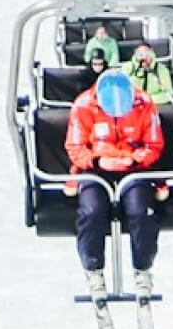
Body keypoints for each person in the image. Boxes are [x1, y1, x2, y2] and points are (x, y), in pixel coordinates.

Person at [64, 68, 165, 295]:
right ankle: (93, 270)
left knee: (141, 212)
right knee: (92, 211)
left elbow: (154, 144)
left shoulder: (145, 104)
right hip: (96, 168)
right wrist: (97, 161)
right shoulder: (83, 106)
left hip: (133, 166)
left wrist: (134, 159)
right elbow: (75, 147)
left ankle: (143, 269)